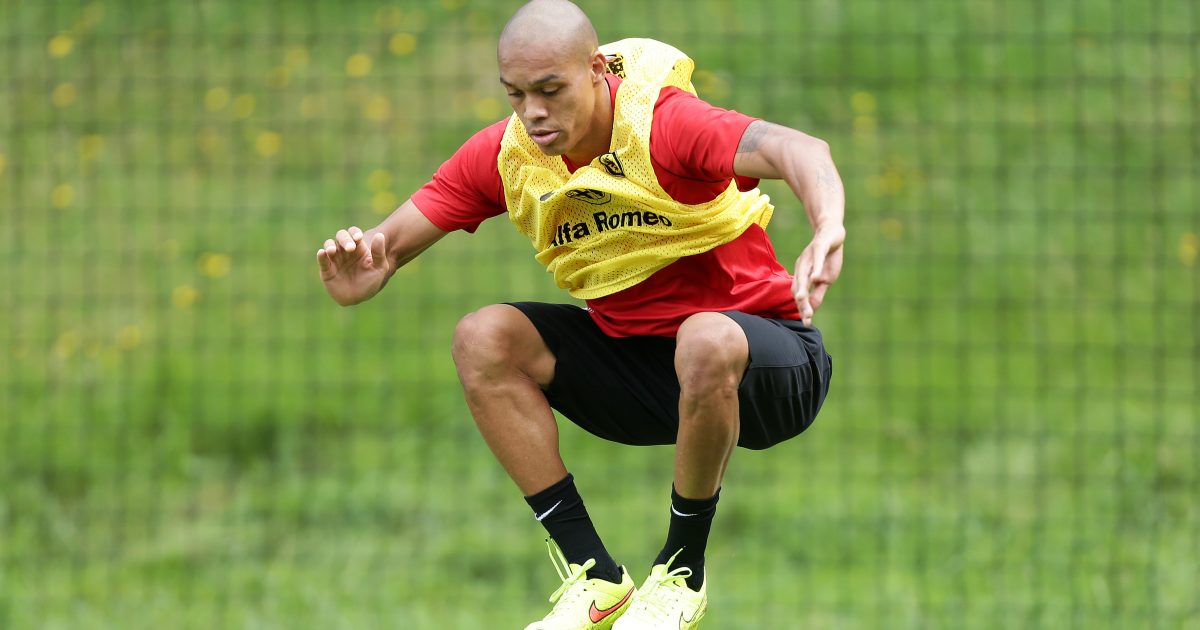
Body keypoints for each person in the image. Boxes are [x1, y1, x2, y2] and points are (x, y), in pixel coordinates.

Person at [316, 1, 844, 627]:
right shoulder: (509, 156)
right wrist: (364, 269)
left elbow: (797, 148)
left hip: (771, 370)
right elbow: (388, 247)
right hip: (647, 378)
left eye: (550, 89)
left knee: (704, 336)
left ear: (595, 69)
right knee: (483, 336)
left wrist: (827, 224)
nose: (533, 112)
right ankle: (595, 578)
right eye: (515, 94)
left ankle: (680, 574)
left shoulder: (664, 127)